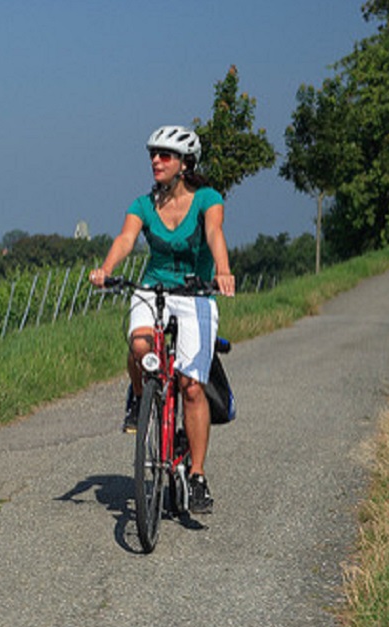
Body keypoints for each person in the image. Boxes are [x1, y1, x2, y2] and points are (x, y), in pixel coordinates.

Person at [89, 125, 236, 513]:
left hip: (196, 294)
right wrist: (105, 268)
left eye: (165, 155)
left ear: (185, 163)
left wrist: (222, 268)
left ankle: (198, 476)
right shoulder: (142, 204)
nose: (156, 160)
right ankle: (141, 399)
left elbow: (215, 231)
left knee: (190, 386)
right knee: (139, 344)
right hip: (154, 290)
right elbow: (125, 239)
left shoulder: (207, 198)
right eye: (153, 154)